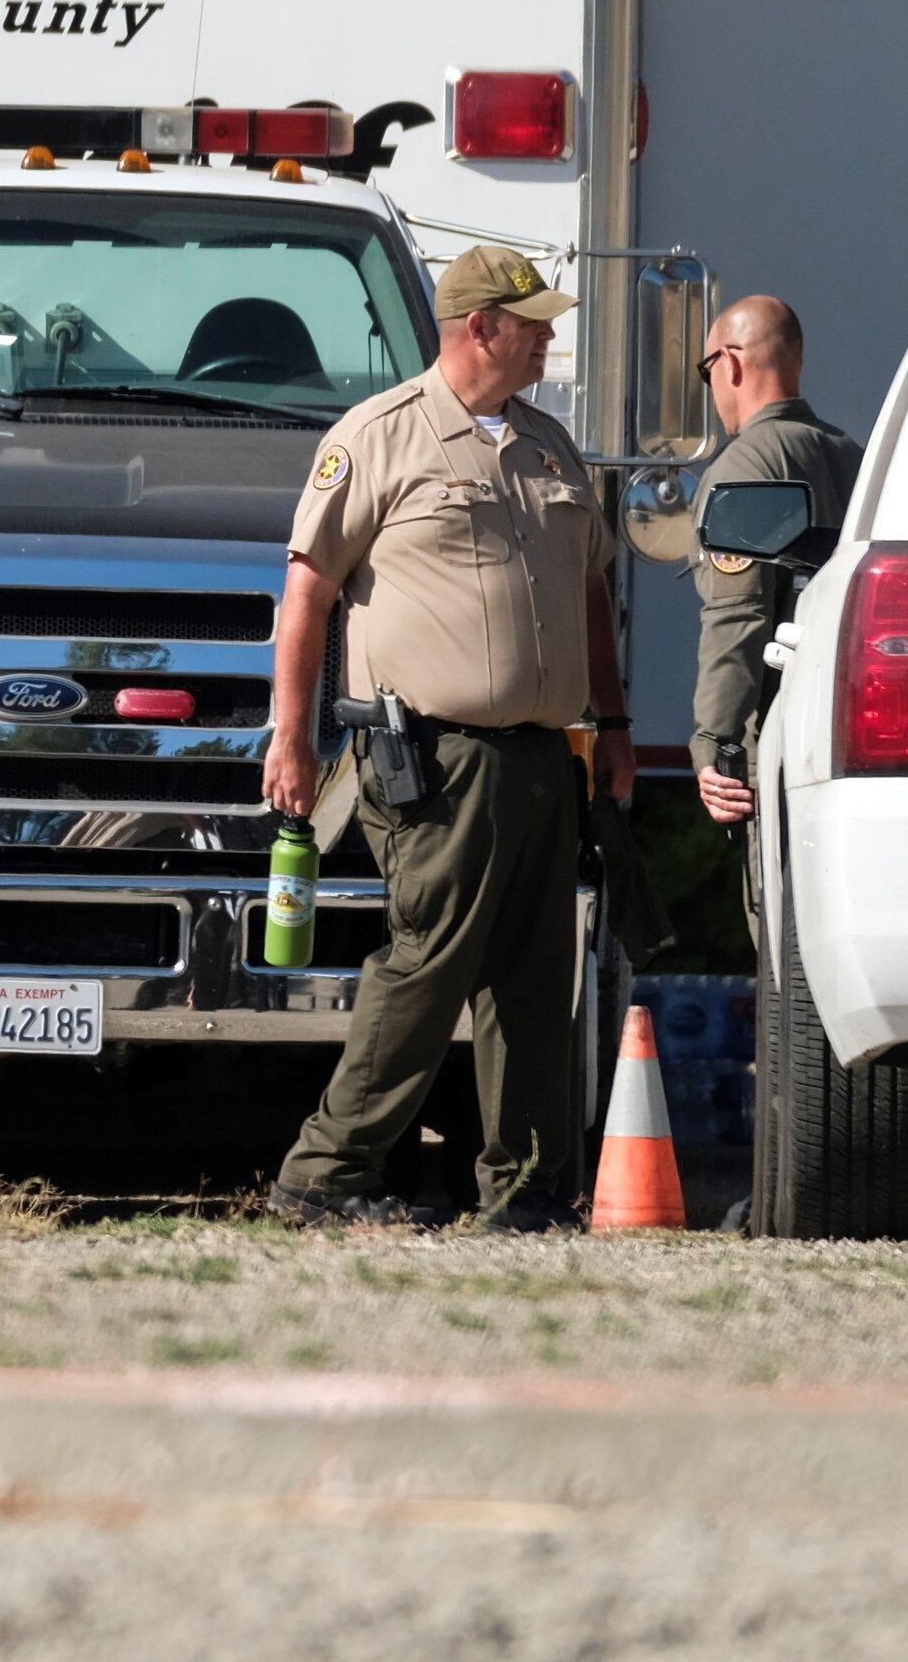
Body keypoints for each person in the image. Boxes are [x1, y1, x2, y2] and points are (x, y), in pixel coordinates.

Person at [259, 246, 636, 1231]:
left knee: (535, 977)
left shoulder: (554, 449)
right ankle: (326, 1174)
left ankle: (528, 1191)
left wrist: (615, 724)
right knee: (427, 965)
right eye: (534, 322)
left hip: (545, 758)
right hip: (434, 759)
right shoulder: (379, 438)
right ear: (481, 329)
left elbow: (592, 593)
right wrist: (288, 735)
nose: (550, 335)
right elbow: (307, 590)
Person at [689, 295, 863, 916]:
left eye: (706, 369)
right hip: (855, 736)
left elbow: (737, 616)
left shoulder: (746, 464)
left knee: (784, 948)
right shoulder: (854, 456)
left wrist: (714, 743)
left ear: (731, 363)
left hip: (782, 744)